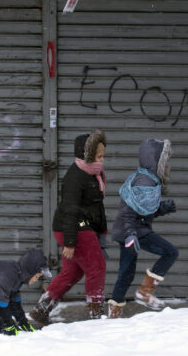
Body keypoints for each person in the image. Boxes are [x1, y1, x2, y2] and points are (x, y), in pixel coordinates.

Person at [29, 129, 108, 324]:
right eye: (98, 156)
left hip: (79, 225)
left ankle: (40, 310)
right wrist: (70, 243)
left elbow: (96, 208)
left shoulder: (93, 174)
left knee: (72, 272)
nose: (102, 160)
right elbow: (71, 211)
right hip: (72, 226)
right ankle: (96, 316)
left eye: (103, 156)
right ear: (86, 155)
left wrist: (102, 233)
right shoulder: (75, 177)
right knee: (97, 267)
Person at [107, 138, 178, 319]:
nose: (168, 165)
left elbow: (145, 211)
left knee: (126, 273)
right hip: (134, 232)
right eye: (165, 160)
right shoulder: (144, 181)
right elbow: (129, 213)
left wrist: (163, 208)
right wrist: (131, 235)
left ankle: (114, 315)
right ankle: (146, 291)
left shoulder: (148, 179)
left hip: (131, 231)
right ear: (156, 161)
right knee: (170, 252)